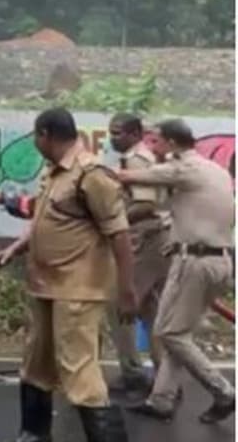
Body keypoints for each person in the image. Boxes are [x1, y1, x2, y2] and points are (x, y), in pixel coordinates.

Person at [0, 107, 135, 442]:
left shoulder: (91, 174)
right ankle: (34, 433)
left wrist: (127, 290)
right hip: (45, 286)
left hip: (78, 290)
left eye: (35, 136)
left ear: (45, 135)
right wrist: (16, 247)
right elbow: (45, 219)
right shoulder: (54, 173)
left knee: (80, 371)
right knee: (36, 365)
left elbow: (120, 234)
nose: (35, 143)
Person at [120, 119, 235, 424]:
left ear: (172, 143)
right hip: (216, 260)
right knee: (175, 332)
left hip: (195, 261)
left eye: (155, 141)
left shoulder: (186, 169)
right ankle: (162, 399)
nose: (149, 148)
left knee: (170, 332)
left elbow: (138, 176)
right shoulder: (213, 170)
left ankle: (223, 391)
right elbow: (183, 210)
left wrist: (104, 174)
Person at [104, 113, 172, 394]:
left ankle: (133, 371)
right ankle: (166, 379)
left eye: (118, 133)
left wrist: (113, 222)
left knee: (121, 303)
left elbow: (144, 205)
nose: (112, 138)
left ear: (134, 134)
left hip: (145, 238)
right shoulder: (142, 158)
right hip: (157, 238)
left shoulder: (136, 160)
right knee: (150, 310)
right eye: (111, 132)